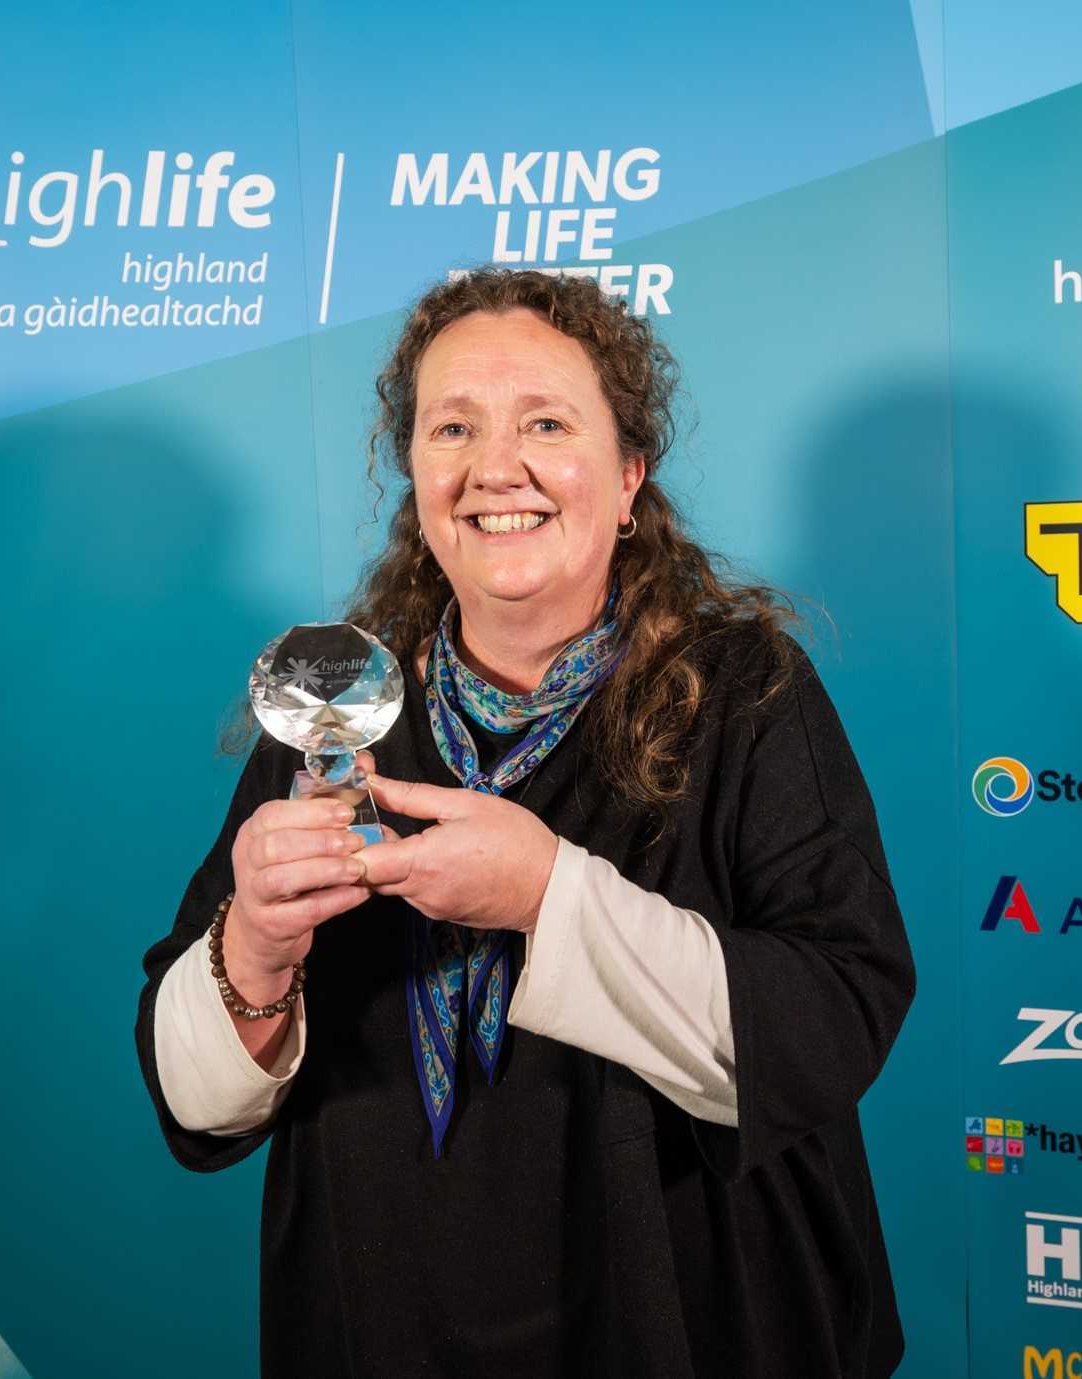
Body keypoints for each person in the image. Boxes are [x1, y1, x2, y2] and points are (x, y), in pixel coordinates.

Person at [135, 268, 915, 1378]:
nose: (496, 467)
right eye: (454, 426)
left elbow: (838, 1015)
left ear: (630, 473)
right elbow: (196, 1102)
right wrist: (252, 947)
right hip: (381, 1322)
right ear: (414, 473)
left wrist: (551, 894)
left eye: (545, 422)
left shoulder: (742, 690)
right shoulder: (334, 711)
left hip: (689, 1326)